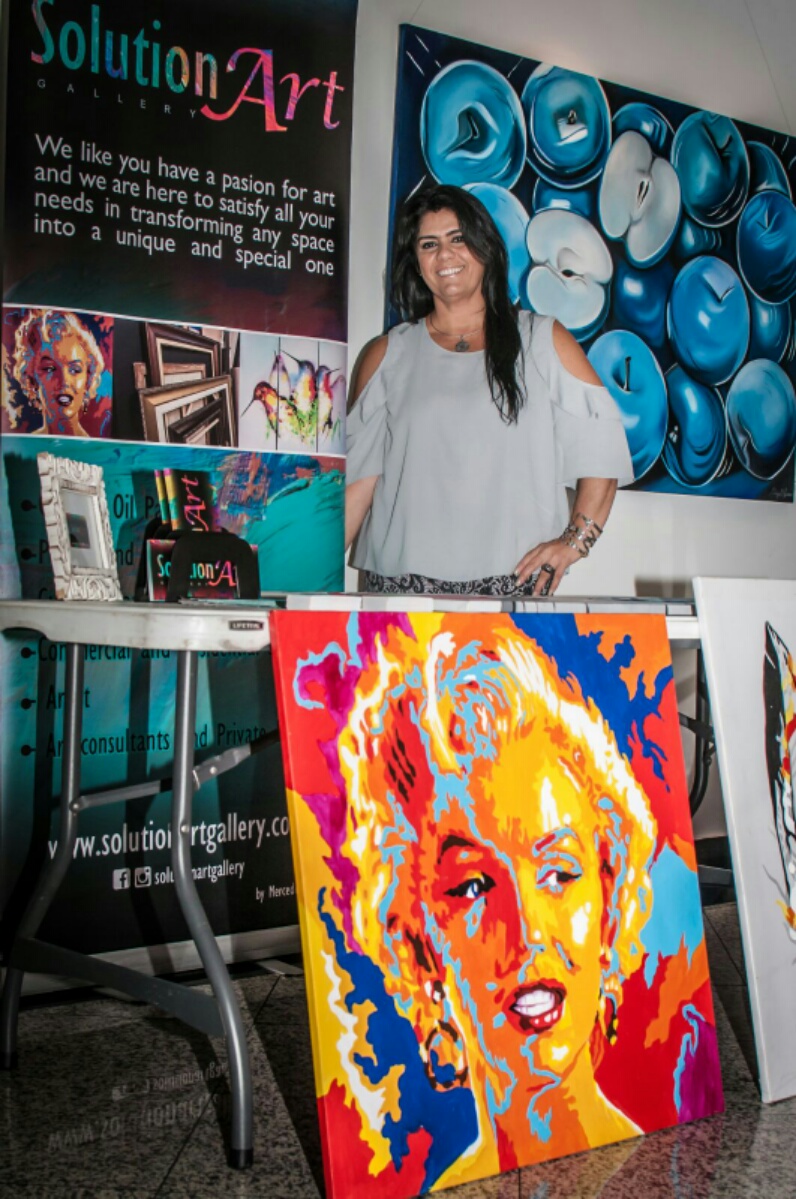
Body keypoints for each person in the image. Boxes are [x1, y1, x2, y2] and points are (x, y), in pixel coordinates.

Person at [333, 617, 657, 1178]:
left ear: (608, 902)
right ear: (419, 946)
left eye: (559, 873)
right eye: (474, 887)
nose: (528, 930)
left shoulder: (662, 1171)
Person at [345, 185, 633, 596]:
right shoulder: (387, 353)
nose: (445, 255)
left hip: (510, 590)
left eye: (458, 238)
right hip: (398, 594)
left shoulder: (542, 340)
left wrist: (575, 542)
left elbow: (602, 451)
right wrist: (300, 592)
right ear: (416, 261)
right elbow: (357, 487)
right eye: (429, 244)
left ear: (485, 246)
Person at [6, 308, 105, 437]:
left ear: (88, 378)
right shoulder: (25, 445)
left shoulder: (100, 448)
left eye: (75, 370)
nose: (64, 381)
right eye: (50, 369)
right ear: (31, 378)